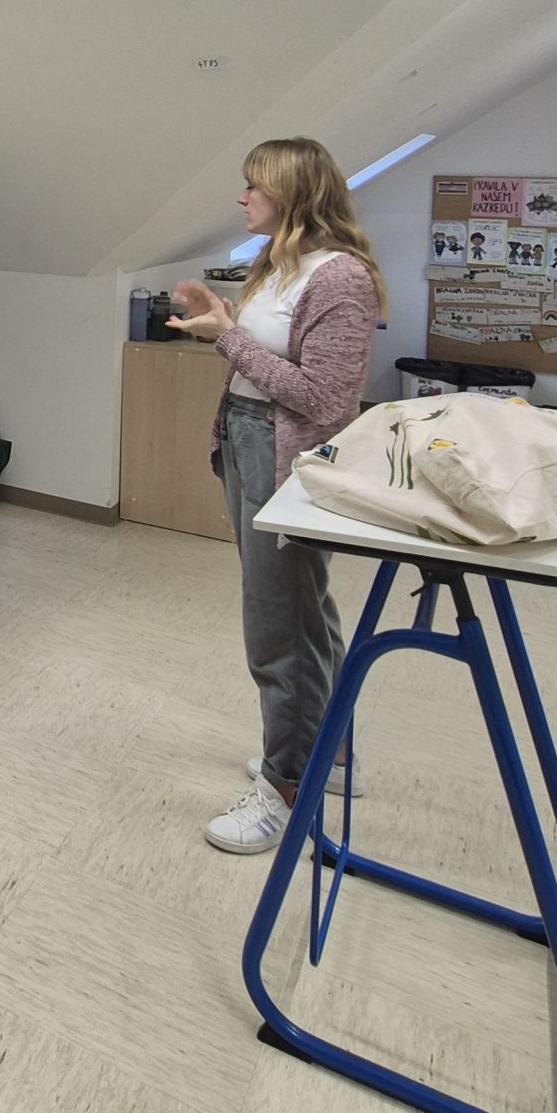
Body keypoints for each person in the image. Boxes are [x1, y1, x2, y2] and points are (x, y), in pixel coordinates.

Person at [167, 137, 384, 855]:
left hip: (283, 451)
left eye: (254, 186)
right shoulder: (277, 263)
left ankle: (287, 787)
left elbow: (325, 398)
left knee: (279, 623)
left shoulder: (341, 278)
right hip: (246, 433)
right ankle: (331, 754)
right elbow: (264, 355)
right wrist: (219, 322)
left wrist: (229, 339)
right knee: (301, 607)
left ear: (294, 195)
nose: (241, 197)